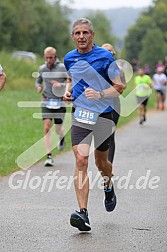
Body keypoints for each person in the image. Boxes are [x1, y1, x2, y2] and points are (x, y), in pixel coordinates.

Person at [63, 18, 125, 231]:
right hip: (80, 114)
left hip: (104, 114)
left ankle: (108, 184)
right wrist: (69, 92)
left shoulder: (105, 57)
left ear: (92, 35)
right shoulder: (69, 58)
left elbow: (119, 87)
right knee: (81, 159)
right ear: (73, 36)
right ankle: (83, 213)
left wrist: (99, 93)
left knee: (101, 163)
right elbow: (74, 79)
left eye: (85, 33)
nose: (81, 37)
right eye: (77, 33)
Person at [35, 47, 67, 166]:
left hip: (59, 102)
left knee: (58, 128)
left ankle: (61, 135)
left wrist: (60, 84)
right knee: (47, 127)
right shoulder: (42, 68)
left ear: (55, 56)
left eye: (51, 57)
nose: (49, 60)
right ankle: (48, 156)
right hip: (46, 101)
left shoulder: (62, 67)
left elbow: (71, 81)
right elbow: (38, 81)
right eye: (47, 58)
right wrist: (38, 86)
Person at [101, 43, 125, 165]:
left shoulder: (119, 70)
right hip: (99, 104)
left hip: (114, 104)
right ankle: (102, 163)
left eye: (110, 51)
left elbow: (123, 86)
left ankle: (109, 164)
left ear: (113, 53)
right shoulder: (97, 68)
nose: (108, 53)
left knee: (110, 134)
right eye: (105, 51)